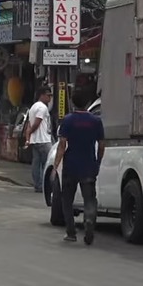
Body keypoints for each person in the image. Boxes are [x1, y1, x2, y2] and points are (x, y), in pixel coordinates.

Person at [54, 90, 105, 244]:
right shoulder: (96, 121)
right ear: (88, 103)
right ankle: (89, 219)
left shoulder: (68, 120)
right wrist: (98, 161)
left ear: (72, 102)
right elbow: (102, 145)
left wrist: (56, 165)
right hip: (89, 165)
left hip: (71, 165)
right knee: (89, 199)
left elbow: (62, 145)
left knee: (67, 200)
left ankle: (71, 232)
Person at [25, 86, 54, 193]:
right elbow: (37, 123)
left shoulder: (33, 107)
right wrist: (30, 132)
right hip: (43, 139)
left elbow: (29, 124)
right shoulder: (42, 108)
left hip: (35, 140)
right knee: (48, 163)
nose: (50, 98)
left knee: (36, 163)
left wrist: (28, 136)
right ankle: (45, 185)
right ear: (41, 95)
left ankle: (38, 185)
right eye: (48, 95)